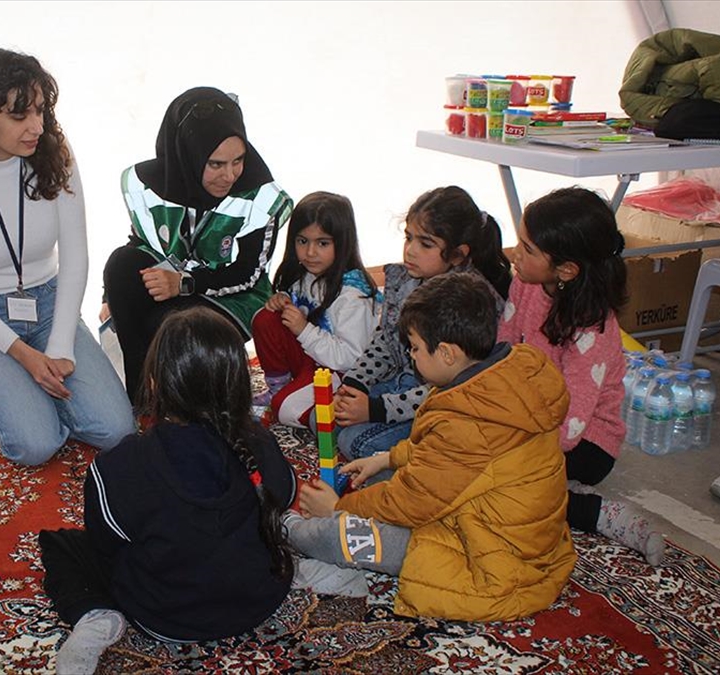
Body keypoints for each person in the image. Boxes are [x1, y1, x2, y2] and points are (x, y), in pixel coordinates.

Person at [285, 273, 576, 622]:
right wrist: (386, 458)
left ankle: (286, 526)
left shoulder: (468, 420)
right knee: (380, 481)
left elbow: (411, 502)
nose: (411, 355)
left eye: (415, 348)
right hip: (504, 529)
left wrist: (340, 507)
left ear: (448, 354)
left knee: (341, 534)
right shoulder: (501, 375)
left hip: (489, 557)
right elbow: (446, 455)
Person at [38, 306, 298, 675]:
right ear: (239, 382)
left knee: (62, 544)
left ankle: (95, 615)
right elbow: (284, 495)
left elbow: (105, 543)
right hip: (262, 597)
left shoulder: (118, 466)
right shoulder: (257, 441)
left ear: (155, 383)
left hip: (168, 618)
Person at [0, 48, 135, 466]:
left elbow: (75, 259)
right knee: (34, 447)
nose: (36, 126)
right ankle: (27, 397)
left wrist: (59, 349)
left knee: (118, 431)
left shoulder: (55, 154)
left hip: (51, 303)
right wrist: (25, 357)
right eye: (19, 116)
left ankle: (43, 396)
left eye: (40, 111)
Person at [499, 187, 664, 565]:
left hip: (585, 443)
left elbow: (569, 429)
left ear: (567, 270)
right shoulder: (525, 282)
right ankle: (551, 486)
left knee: (500, 483)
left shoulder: (593, 330)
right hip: (527, 421)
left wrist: (507, 441)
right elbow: (503, 347)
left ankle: (599, 513)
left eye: (527, 249)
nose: (515, 254)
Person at [103, 86, 294, 402]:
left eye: (238, 160)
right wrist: (110, 295)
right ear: (186, 156)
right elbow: (140, 239)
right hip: (172, 284)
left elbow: (247, 274)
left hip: (232, 297)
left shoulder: (259, 196)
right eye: (216, 164)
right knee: (122, 264)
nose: (230, 175)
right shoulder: (149, 183)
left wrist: (185, 284)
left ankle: (195, 405)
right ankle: (138, 396)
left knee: (175, 327)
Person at [333, 185, 512, 461]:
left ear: (457, 254)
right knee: (328, 416)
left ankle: (428, 464)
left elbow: (449, 389)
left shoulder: (468, 301)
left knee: (355, 442)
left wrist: (376, 409)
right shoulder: (405, 280)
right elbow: (384, 339)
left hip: (442, 404)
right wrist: (356, 384)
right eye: (409, 238)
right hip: (403, 386)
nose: (410, 251)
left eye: (425, 244)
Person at [250, 191, 382, 428]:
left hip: (342, 372)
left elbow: (350, 359)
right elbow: (301, 305)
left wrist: (303, 329)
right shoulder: (307, 274)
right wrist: (283, 300)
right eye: (302, 241)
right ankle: (280, 388)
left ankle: (332, 415)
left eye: (322, 243)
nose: (310, 252)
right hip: (313, 357)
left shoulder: (354, 295)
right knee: (266, 318)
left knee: (284, 408)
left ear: (342, 243)